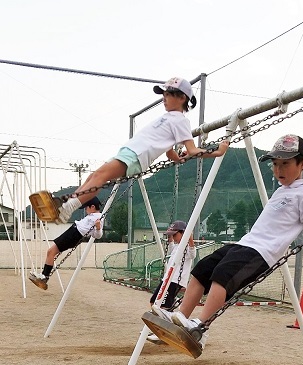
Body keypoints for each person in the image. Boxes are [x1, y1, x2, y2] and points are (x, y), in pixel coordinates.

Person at [151, 134, 303, 350]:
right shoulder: (282, 190)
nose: (278, 170)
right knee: (202, 269)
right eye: (275, 164)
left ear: (302, 164)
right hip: (245, 243)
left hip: (262, 252)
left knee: (222, 276)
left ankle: (200, 327)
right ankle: (180, 319)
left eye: (285, 164)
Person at [55, 77, 229, 224]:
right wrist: (178, 158)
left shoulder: (181, 121)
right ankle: (67, 205)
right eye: (164, 94)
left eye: (168, 94)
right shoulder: (169, 118)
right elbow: (170, 153)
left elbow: (192, 149)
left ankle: (67, 208)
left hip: (136, 156)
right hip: (129, 152)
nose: (164, 98)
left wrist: (217, 152)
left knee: (100, 177)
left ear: (182, 98)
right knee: (93, 176)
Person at [29, 197, 104, 290]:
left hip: (74, 235)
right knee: (50, 252)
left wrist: (98, 228)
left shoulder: (98, 218)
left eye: (86, 208)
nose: (86, 210)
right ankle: (44, 276)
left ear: (92, 207)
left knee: (51, 252)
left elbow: (98, 235)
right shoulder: (93, 216)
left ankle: (44, 276)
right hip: (73, 232)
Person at [147, 220, 196, 343]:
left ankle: (164, 332)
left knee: (164, 306)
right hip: (167, 279)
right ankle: (160, 328)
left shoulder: (186, 247)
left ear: (183, 233)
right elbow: (171, 248)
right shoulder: (177, 246)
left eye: (175, 234)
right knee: (154, 302)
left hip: (174, 281)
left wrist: (190, 238)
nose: (173, 237)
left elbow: (193, 254)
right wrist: (169, 236)